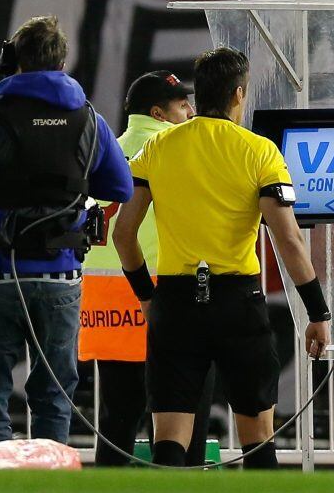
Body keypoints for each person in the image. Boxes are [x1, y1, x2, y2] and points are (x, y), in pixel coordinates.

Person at [113, 47, 332, 468]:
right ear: (237, 94)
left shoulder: (157, 148)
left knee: (170, 441)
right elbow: (288, 240)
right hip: (238, 304)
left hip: (175, 303)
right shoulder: (259, 151)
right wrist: (317, 313)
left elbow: (124, 235)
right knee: (257, 439)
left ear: (199, 95)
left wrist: (147, 297)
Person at [0, 16, 132, 444]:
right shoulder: (88, 120)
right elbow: (119, 186)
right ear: (62, 62)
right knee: (54, 395)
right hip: (60, 274)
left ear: (14, 61)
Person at [78, 71, 216, 466]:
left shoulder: (106, 152)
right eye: (182, 105)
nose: (190, 111)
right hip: (160, 298)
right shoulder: (176, 151)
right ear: (158, 112)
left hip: (106, 307)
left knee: (117, 424)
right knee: (180, 423)